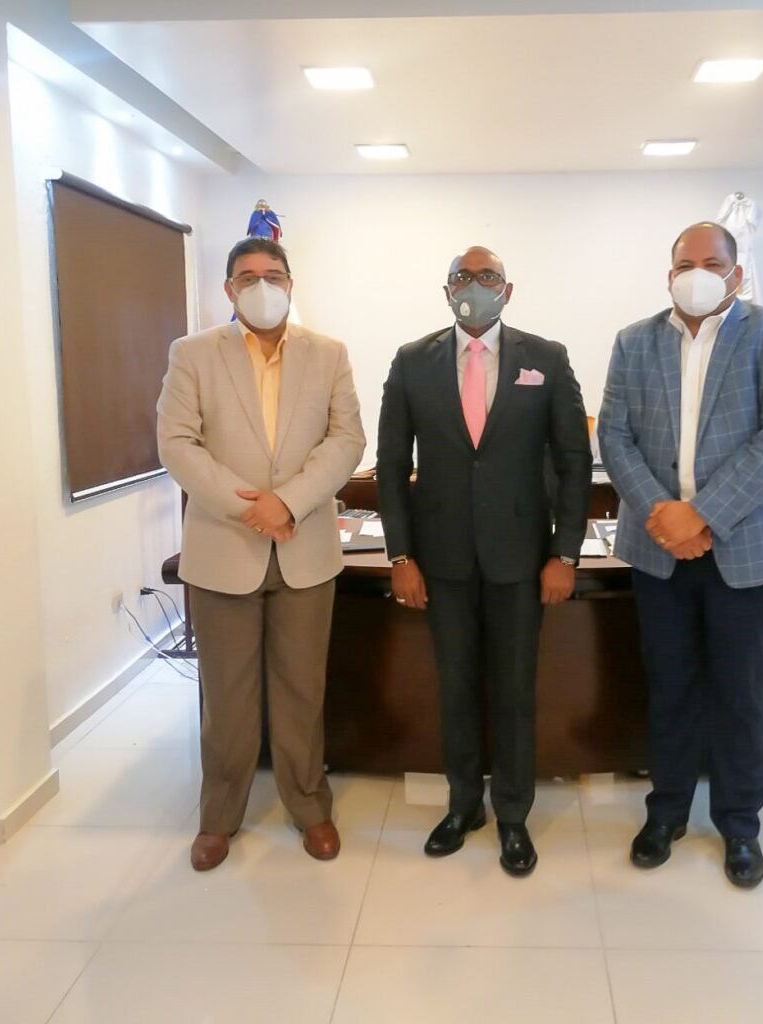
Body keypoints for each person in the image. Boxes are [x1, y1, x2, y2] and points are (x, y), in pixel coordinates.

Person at [597, 222, 763, 888]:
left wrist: (699, 515)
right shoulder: (634, 341)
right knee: (669, 685)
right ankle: (666, 812)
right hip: (659, 547)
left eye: (711, 262)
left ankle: (739, 823)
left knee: (740, 690)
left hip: (746, 544)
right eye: (684, 264)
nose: (696, 273)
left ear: (735, 273)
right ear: (668, 274)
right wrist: (664, 515)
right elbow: (614, 436)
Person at [376, 246, 592, 876]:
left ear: (508, 290)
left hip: (520, 561)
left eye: (488, 276)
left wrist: (565, 553)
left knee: (515, 691)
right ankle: (464, 805)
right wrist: (401, 554)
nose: (475, 285)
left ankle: (514, 815)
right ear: (446, 290)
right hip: (440, 561)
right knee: (456, 689)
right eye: (463, 277)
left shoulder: (547, 358)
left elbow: (574, 462)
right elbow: (391, 464)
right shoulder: (411, 361)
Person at [157, 237, 365, 871]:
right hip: (224, 548)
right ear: (229, 289)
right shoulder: (192, 353)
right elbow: (176, 443)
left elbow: (346, 439)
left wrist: (289, 503)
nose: (262, 286)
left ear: (290, 284)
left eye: (273, 275)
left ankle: (310, 807)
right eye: (247, 277)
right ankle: (219, 817)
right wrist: (249, 505)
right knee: (227, 697)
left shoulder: (328, 354)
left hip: (306, 550)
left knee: (302, 690)